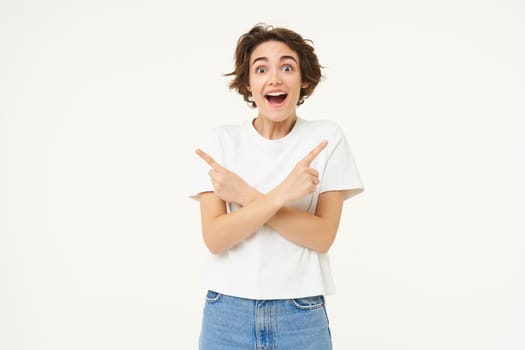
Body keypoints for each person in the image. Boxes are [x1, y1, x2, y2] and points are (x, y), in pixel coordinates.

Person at [190, 23, 364, 350]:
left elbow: (322, 236)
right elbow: (215, 238)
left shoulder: (326, 138)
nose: (274, 78)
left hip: (300, 313)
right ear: (247, 83)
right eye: (261, 69)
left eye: (287, 67)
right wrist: (284, 194)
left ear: (305, 79)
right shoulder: (220, 141)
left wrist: (245, 196)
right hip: (227, 311)